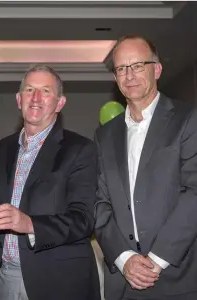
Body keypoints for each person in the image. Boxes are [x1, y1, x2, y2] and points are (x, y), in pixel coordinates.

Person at [0, 64, 101, 300]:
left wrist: (29, 224)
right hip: (6, 277)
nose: (35, 98)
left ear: (60, 103)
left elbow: (84, 219)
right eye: (29, 90)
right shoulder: (1, 149)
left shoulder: (80, 149)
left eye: (46, 91)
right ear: (19, 99)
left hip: (60, 281)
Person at [94, 34, 197, 300]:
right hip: (123, 282)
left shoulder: (188, 119)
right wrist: (124, 258)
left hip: (177, 276)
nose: (129, 75)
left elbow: (194, 192)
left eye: (138, 65)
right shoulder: (104, 135)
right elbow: (99, 202)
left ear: (157, 69)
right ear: (115, 78)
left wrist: (156, 259)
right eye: (121, 69)